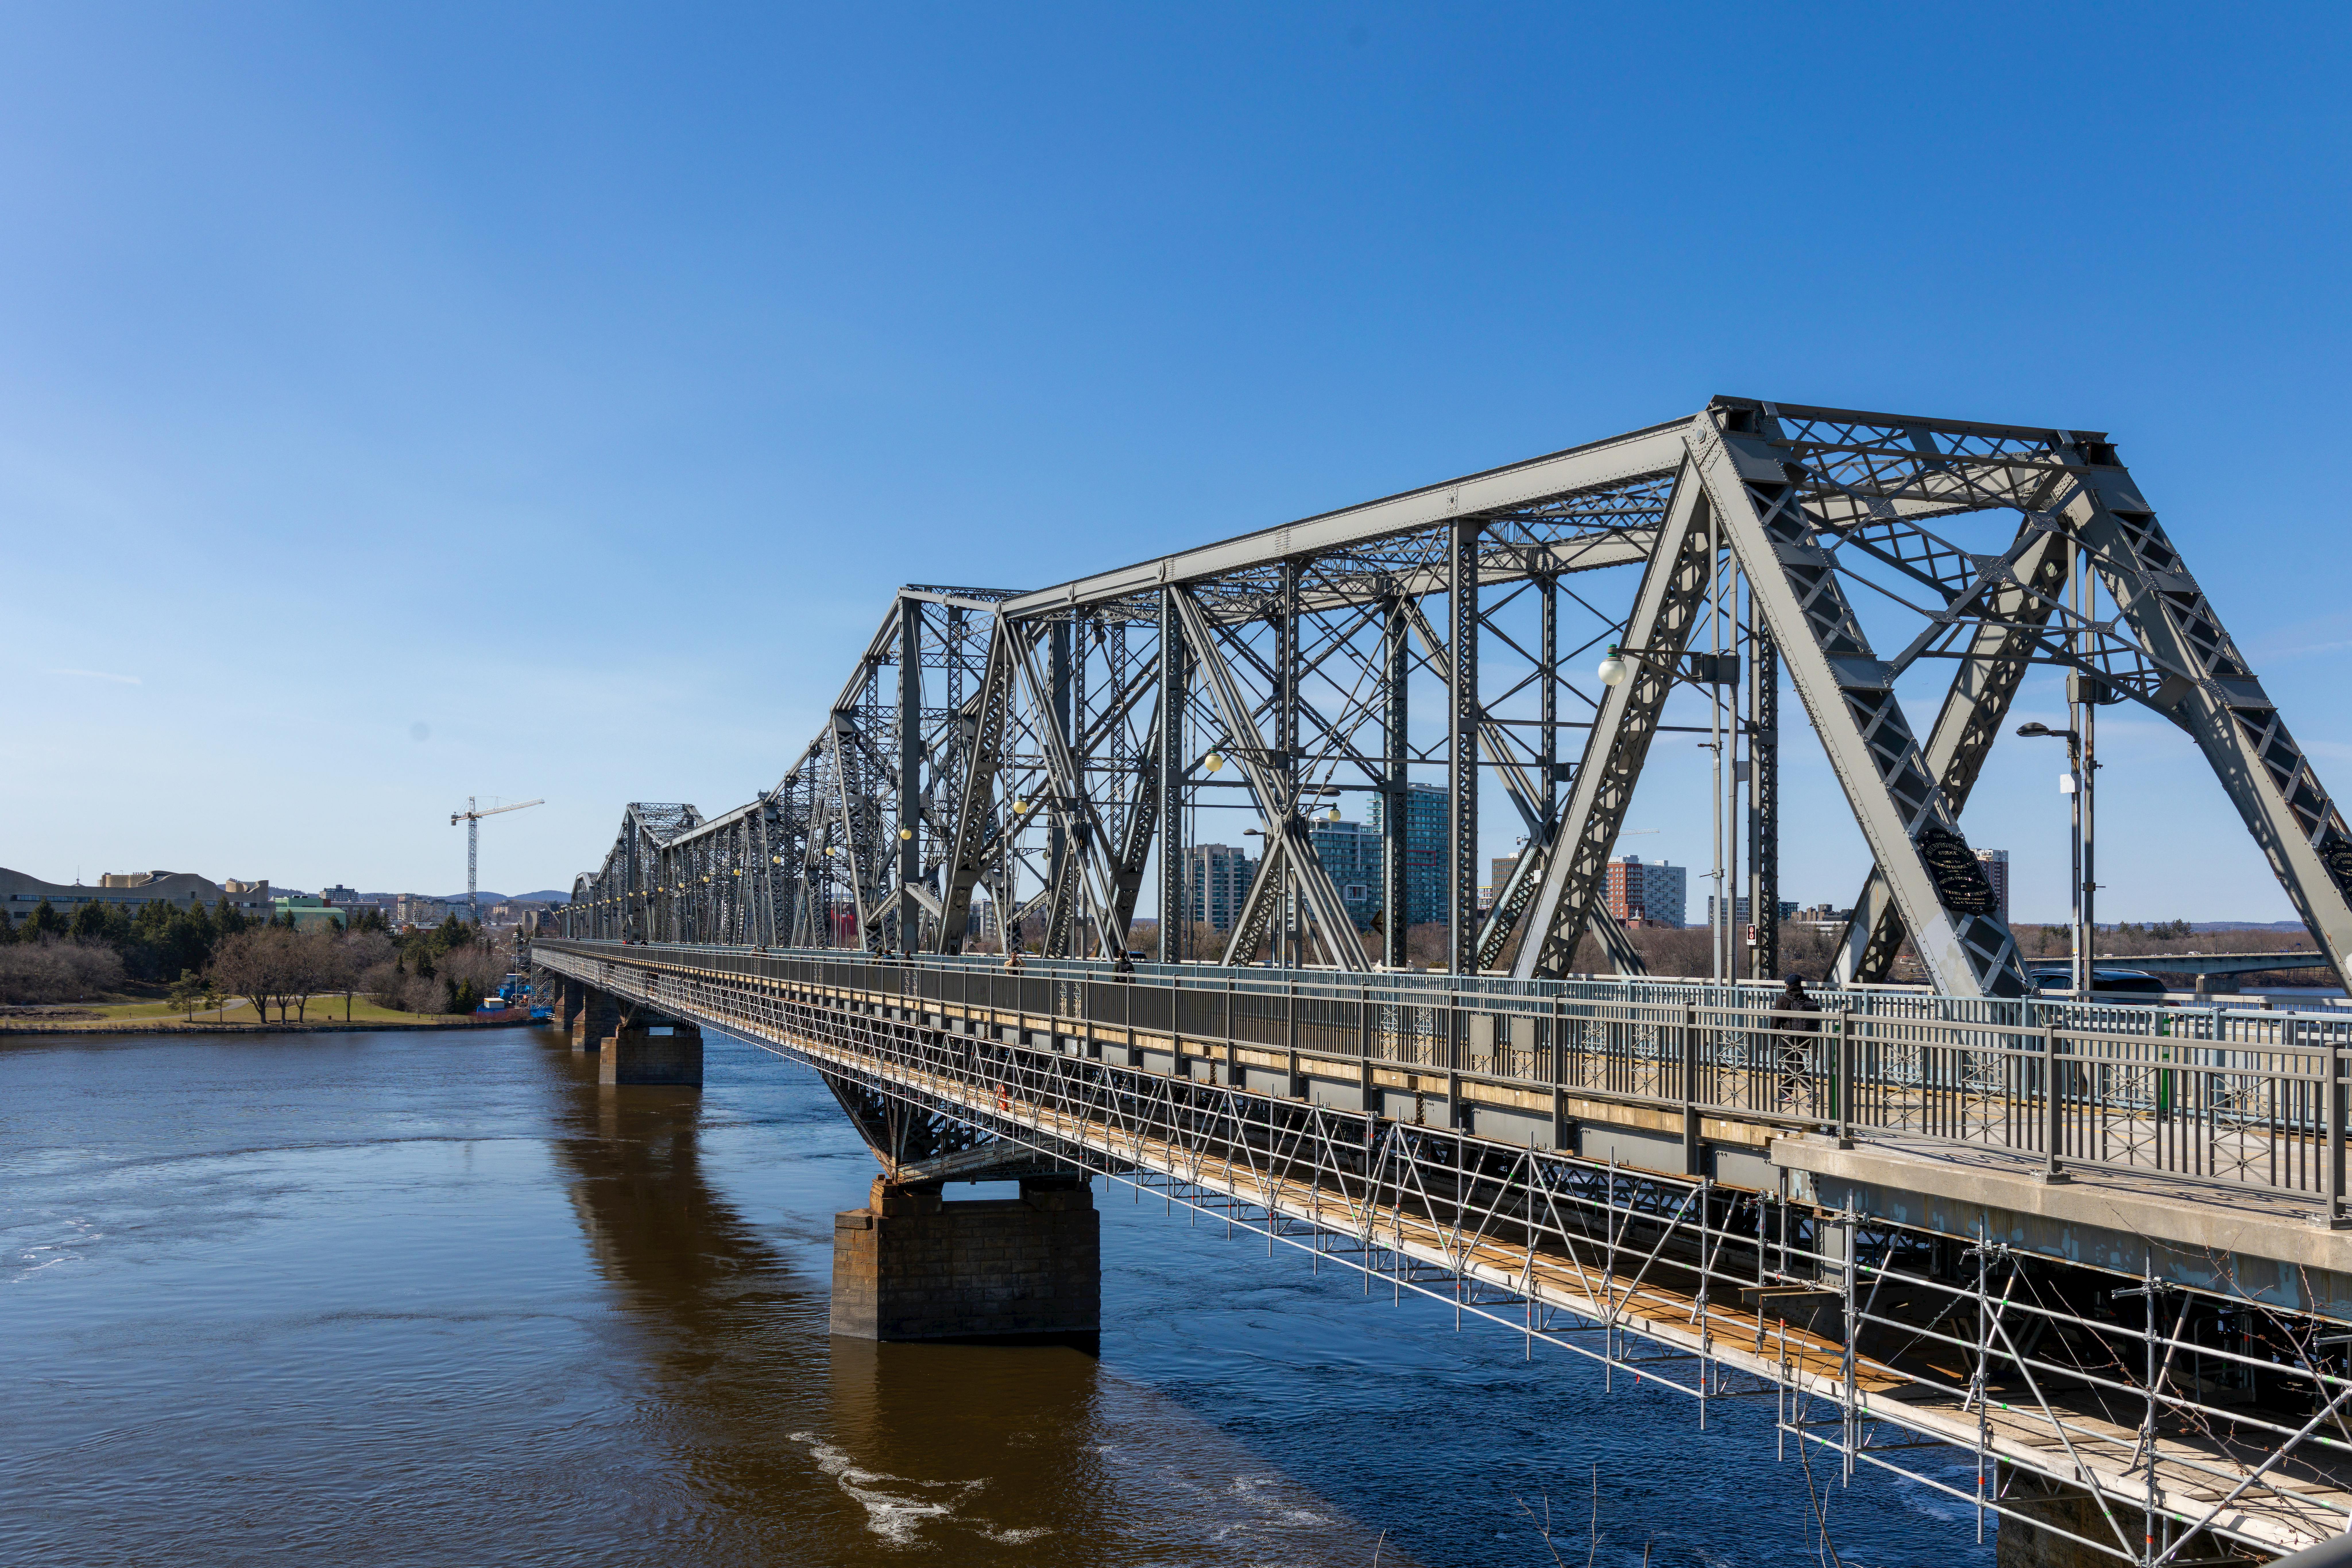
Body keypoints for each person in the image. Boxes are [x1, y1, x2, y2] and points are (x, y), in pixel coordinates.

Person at [1774, 972, 1821, 1110]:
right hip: (1806, 1037)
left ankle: (1812, 1092)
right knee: (1793, 1062)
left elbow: (1776, 1021)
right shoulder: (1806, 999)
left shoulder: (1784, 1000)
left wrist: (1772, 1038)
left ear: (1787, 985)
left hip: (1790, 1037)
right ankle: (1786, 1094)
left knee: (1795, 1064)